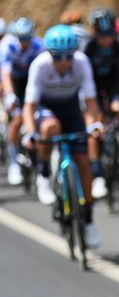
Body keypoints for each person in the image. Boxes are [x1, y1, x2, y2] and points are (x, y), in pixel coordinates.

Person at [21, 25, 104, 246]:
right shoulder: (40, 65)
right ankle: (44, 171)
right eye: (58, 57)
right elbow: (29, 106)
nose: (64, 61)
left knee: (84, 163)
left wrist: (94, 123)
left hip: (70, 109)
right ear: (50, 54)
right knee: (50, 128)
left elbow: (91, 102)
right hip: (46, 108)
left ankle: (87, 220)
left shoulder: (82, 63)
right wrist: (30, 133)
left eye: (69, 56)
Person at [84, 7, 119, 189]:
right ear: (94, 32)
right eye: (102, 35)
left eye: (109, 34)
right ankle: (97, 171)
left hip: (114, 86)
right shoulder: (87, 48)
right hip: (91, 88)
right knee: (93, 124)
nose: (106, 39)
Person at [1, 17, 45, 185]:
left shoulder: (39, 45)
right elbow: (6, 74)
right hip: (15, 84)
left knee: (39, 117)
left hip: (33, 82)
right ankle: (13, 162)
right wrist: (10, 95)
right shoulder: (7, 46)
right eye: (21, 39)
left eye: (27, 38)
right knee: (18, 119)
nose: (25, 42)